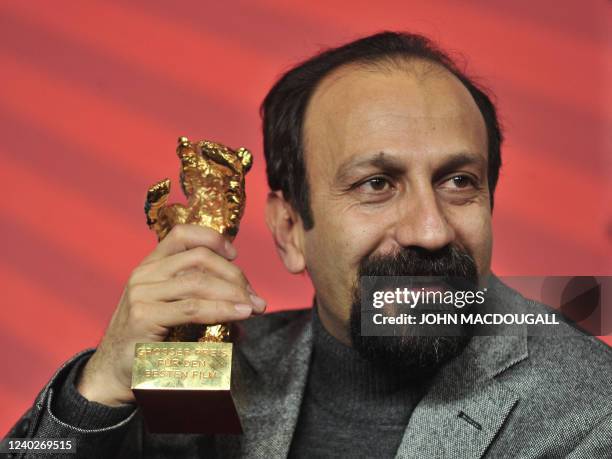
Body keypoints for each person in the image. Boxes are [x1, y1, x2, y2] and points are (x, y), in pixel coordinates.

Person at [6, 31, 611, 458]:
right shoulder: (208, 377)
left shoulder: (589, 409)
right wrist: (97, 389)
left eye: (459, 182)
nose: (430, 231)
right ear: (291, 231)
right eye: (376, 184)